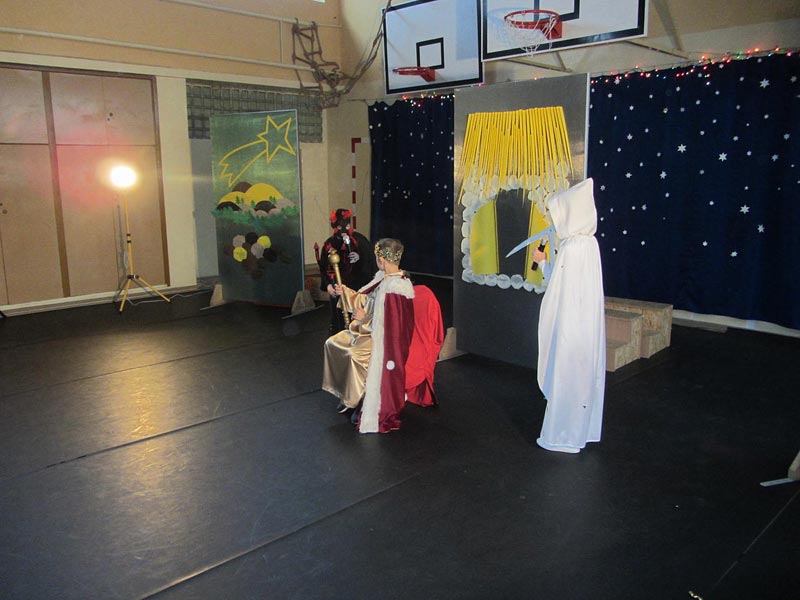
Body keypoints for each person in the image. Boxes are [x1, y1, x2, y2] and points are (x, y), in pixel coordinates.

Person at [531, 178, 606, 453]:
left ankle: (562, 434)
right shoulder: (589, 244)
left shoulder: (573, 247)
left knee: (568, 374)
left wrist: (542, 263)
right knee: (581, 375)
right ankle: (579, 430)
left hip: (570, 325)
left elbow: (557, 287)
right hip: (584, 325)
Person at [322, 238, 415, 434]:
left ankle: (360, 399)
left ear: (382, 259)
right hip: (366, 331)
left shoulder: (397, 289)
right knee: (333, 344)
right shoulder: (382, 278)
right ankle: (347, 393)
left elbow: (390, 327)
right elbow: (367, 299)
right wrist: (345, 292)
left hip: (381, 341)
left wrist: (364, 318)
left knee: (354, 355)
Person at [318, 209, 375, 334]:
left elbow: (371, 261)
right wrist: (328, 285)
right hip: (338, 287)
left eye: (347, 226)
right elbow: (323, 267)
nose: (344, 230)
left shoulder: (360, 240)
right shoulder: (329, 244)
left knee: (357, 318)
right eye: (340, 227)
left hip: (357, 289)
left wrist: (359, 258)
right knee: (339, 318)